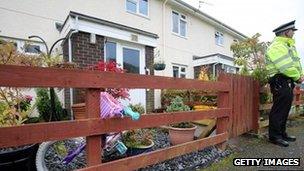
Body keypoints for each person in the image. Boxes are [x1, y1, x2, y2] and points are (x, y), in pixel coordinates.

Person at [265, 20, 303, 147]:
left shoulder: (287, 46)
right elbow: (285, 66)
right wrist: (298, 76)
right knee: (279, 110)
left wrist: (300, 75)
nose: (293, 33)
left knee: (285, 109)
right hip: (279, 80)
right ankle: (274, 136)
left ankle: (281, 133)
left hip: (286, 81)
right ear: (286, 32)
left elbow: (295, 64)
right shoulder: (277, 46)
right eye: (292, 31)